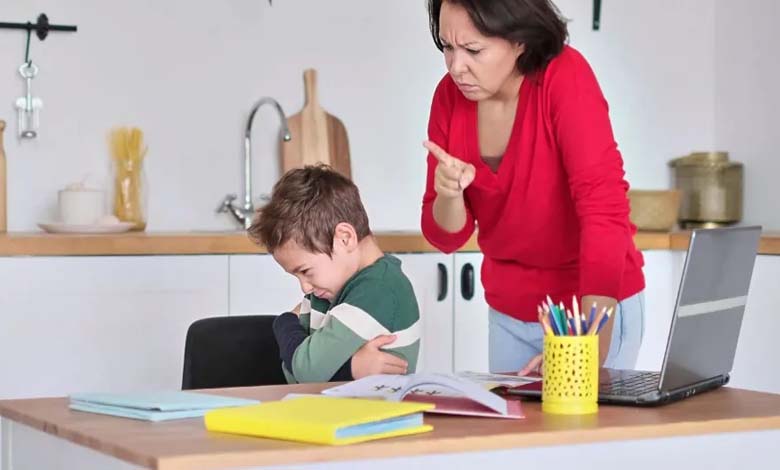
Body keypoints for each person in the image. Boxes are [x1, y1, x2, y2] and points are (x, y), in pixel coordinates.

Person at [420, 0, 646, 375]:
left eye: (473, 50)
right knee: (516, 435)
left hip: (587, 309)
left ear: (519, 41)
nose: (456, 67)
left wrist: (588, 342)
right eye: (447, 47)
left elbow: (603, 209)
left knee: (585, 432)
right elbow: (446, 237)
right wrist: (449, 194)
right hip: (509, 314)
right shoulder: (448, 97)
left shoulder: (564, 77)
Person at [249, 164, 420, 383]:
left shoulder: (379, 290)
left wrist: (283, 323)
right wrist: (349, 370)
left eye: (305, 271)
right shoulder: (335, 288)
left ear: (345, 238)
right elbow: (294, 374)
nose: (305, 287)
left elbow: (305, 370)